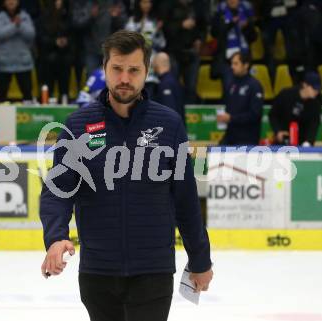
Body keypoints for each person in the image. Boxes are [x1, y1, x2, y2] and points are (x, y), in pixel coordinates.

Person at [39, 30, 213, 321]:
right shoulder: (79, 124)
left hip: (153, 271)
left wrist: (200, 259)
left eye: (134, 70)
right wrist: (55, 237)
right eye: (117, 68)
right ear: (105, 68)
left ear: (146, 72)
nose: (124, 78)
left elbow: (185, 200)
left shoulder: (169, 124)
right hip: (98, 273)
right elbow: (58, 190)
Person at [163, 0, 206, 103]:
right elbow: (165, 29)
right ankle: (175, 114)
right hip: (174, 53)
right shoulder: (168, 6)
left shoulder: (196, 7)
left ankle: (190, 115)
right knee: (174, 86)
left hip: (192, 52)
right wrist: (181, 25)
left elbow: (202, 26)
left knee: (191, 87)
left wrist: (200, 39)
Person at [0, 0, 35, 102]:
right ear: (3, 2)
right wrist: (15, 25)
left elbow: (31, 34)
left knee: (27, 93)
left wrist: (20, 25)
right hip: (3, 62)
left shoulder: (25, 16)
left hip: (22, 61)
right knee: (1, 94)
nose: (11, 1)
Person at [218, 52, 264, 146]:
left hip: (247, 138)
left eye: (236, 63)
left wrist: (232, 118)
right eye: (232, 63)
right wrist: (225, 118)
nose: (232, 66)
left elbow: (255, 114)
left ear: (246, 65)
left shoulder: (255, 85)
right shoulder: (231, 84)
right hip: (230, 136)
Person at [269, 71, 322, 146]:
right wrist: (278, 131)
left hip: (303, 143)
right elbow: (273, 114)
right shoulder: (286, 95)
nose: (316, 91)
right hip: (283, 140)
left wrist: (308, 142)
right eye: (314, 88)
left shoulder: (316, 104)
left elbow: (314, 124)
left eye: (318, 89)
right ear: (305, 85)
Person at [36, 0, 73, 103]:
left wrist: (66, 41)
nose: (59, 2)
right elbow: (40, 37)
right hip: (47, 58)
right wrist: (54, 42)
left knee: (64, 88)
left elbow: (73, 35)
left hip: (65, 57)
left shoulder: (67, 16)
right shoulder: (44, 16)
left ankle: (65, 107)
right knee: (47, 88)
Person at [210, 0, 257, 80]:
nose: (232, 0)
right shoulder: (220, 13)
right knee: (230, 85)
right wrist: (230, 23)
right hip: (226, 60)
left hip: (243, 57)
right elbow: (214, 33)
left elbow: (253, 37)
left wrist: (246, 27)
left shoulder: (245, 14)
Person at [152, 52, 185, 123]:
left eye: (153, 62)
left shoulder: (166, 84)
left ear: (158, 63)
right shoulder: (173, 80)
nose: (152, 65)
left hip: (171, 130)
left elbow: (169, 111)